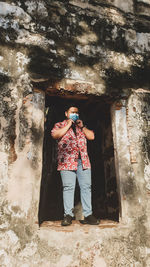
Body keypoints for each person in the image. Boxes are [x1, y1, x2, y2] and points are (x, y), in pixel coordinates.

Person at [51, 103, 100, 226]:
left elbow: (92, 136)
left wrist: (82, 127)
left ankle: (88, 215)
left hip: (83, 161)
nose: (75, 114)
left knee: (86, 187)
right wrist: (68, 124)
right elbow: (55, 135)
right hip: (67, 161)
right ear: (66, 114)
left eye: (76, 112)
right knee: (68, 187)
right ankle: (68, 215)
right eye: (72, 112)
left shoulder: (81, 127)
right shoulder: (59, 125)